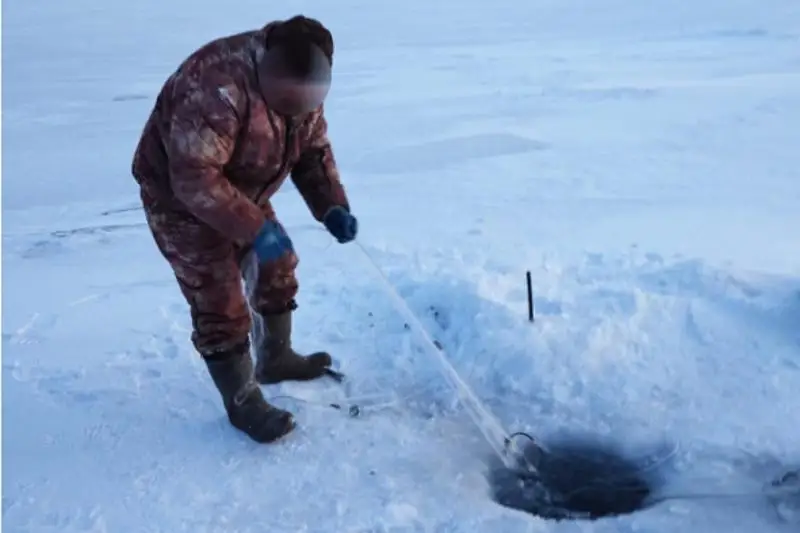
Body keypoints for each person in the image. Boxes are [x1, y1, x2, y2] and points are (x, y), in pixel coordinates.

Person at [131, 15, 358, 444]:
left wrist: (332, 207)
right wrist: (254, 227)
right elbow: (195, 179)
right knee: (219, 296)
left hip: (239, 187)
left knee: (279, 263)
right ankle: (241, 402)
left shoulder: (303, 81)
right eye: (285, 100)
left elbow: (311, 151)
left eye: (305, 101)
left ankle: (275, 356)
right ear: (266, 69)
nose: (296, 108)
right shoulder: (215, 86)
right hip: (179, 198)